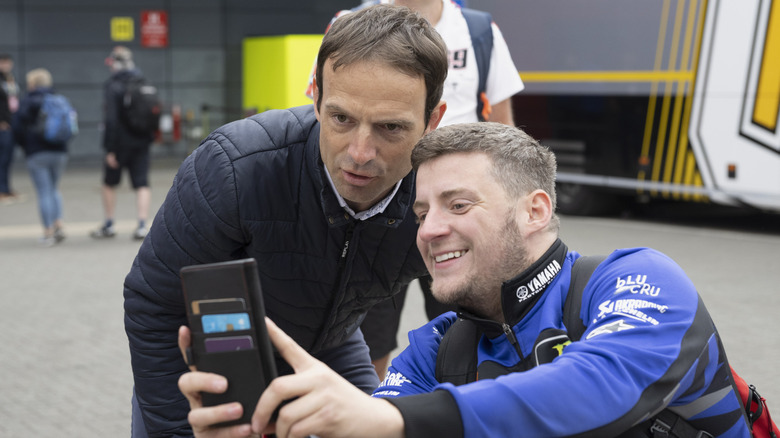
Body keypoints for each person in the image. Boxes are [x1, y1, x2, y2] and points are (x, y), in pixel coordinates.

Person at [180, 122, 751, 437]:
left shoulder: (635, 279)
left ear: (534, 211)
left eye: (458, 205)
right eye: (423, 213)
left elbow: (595, 385)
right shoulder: (435, 350)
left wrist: (388, 419)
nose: (429, 231)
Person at [124, 5, 448, 436]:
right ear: (315, 96)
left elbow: (487, 313)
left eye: (390, 128)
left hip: (329, 344)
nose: (359, 152)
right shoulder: (235, 169)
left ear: (433, 121)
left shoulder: (439, 199)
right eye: (341, 118)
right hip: (217, 357)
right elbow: (154, 302)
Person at [308, 0, 526, 377]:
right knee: (364, 336)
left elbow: (503, 129)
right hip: (377, 201)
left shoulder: (479, 30)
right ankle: (367, 414)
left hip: (460, 214)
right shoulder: (349, 23)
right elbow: (328, 116)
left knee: (471, 331)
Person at [90, 46, 153, 241]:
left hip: (119, 144)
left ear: (116, 63)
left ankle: (109, 224)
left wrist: (110, 149)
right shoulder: (143, 82)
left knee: (109, 183)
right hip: (142, 142)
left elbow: (111, 120)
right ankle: (142, 224)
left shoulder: (113, 85)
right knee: (142, 183)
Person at [11, 68, 68, 247]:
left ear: (33, 83)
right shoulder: (59, 99)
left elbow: (17, 127)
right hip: (60, 151)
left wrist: (25, 146)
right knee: (54, 189)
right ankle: (59, 224)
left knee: (44, 191)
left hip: (37, 152)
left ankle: (48, 232)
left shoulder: (29, 101)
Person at [0, 53, 20, 202]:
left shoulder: (10, 79)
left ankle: (6, 188)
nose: (6, 65)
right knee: (2, 158)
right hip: (3, 125)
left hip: (12, 123)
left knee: (8, 158)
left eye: (8, 63)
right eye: (3, 63)